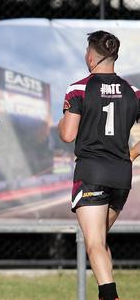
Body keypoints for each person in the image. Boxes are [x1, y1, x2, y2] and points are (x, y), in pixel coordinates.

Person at [59, 31, 136, 300]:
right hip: (121, 177)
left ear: (90, 56)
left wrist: (62, 120)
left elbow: (68, 134)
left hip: (92, 172)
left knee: (93, 244)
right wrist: (132, 155)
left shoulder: (79, 88)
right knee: (100, 243)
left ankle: (110, 296)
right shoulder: (132, 91)